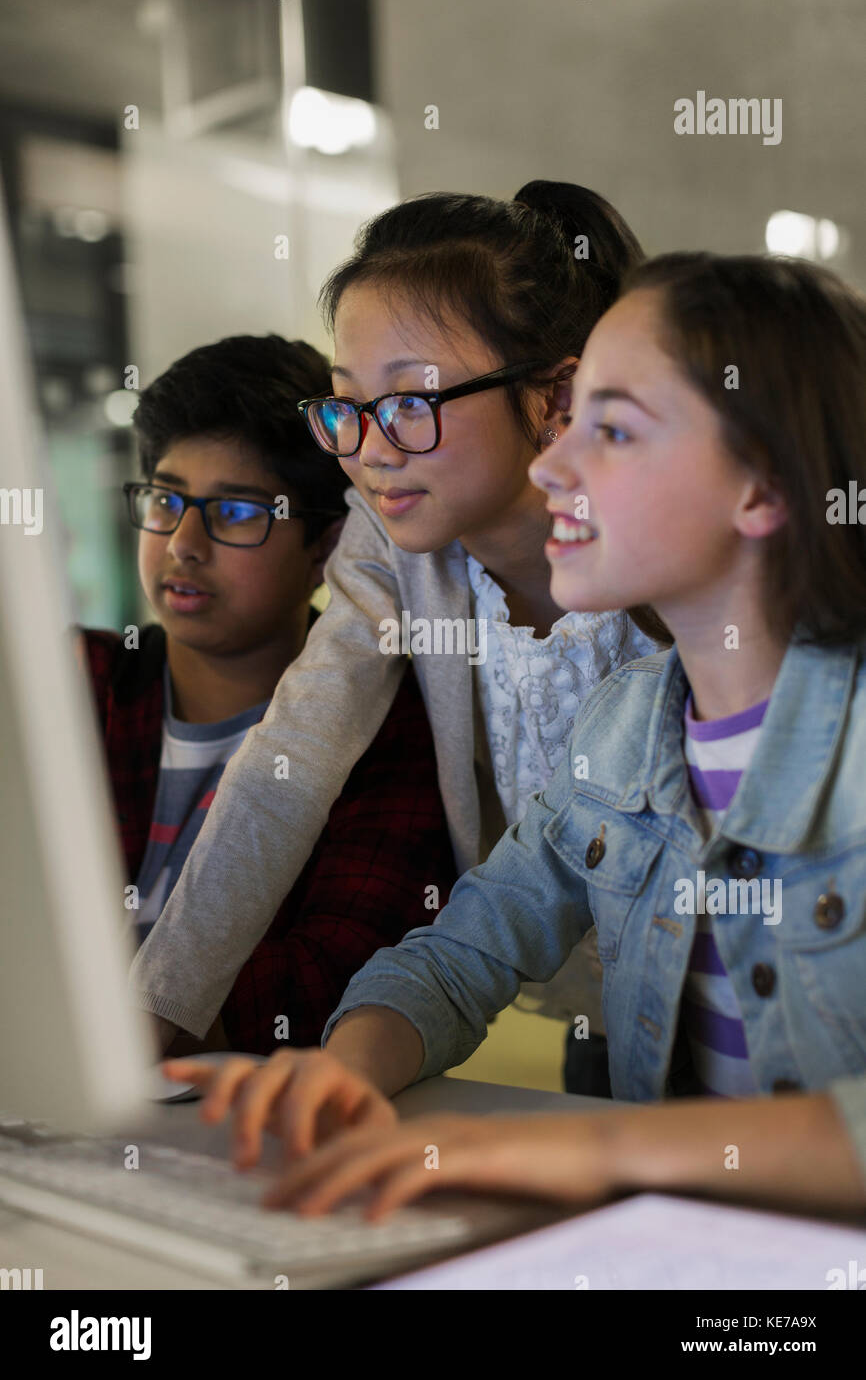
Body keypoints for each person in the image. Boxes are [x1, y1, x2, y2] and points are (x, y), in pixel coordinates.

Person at [167, 254, 866, 1220]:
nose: (552, 465)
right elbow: (459, 954)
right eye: (573, 422)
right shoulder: (624, 730)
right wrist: (350, 1069)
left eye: (612, 430)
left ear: (761, 489)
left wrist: (595, 1147)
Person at [130, 183, 663, 1091]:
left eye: (412, 403)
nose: (371, 450)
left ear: (553, 398)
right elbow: (291, 760)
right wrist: (155, 1013)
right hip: (596, 1018)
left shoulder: (667, 551)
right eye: (345, 405)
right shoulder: (391, 537)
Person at [79, 334, 455, 1055]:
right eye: (165, 499)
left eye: (240, 513)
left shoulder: (391, 730)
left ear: (328, 545)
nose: (184, 542)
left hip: (244, 1125)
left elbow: (329, 979)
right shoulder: (84, 683)